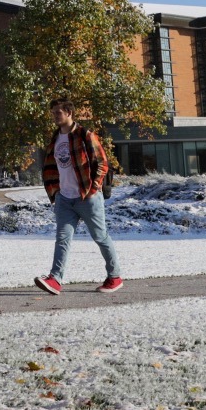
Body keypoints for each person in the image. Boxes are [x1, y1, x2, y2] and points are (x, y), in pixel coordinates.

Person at [32, 101, 123, 295]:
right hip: (64, 199)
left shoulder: (85, 135)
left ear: (69, 113)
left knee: (100, 237)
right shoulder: (55, 138)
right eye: (53, 113)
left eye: (58, 112)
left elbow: (102, 163)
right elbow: (52, 167)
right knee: (62, 239)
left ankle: (114, 277)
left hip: (87, 197)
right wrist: (56, 192)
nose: (55, 116)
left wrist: (93, 188)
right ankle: (55, 279)